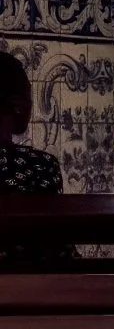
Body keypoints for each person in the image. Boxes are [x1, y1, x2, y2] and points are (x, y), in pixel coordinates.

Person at [1, 51, 66, 263]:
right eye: (28, 96)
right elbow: (57, 249)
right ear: (18, 105)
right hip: (27, 288)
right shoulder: (40, 166)